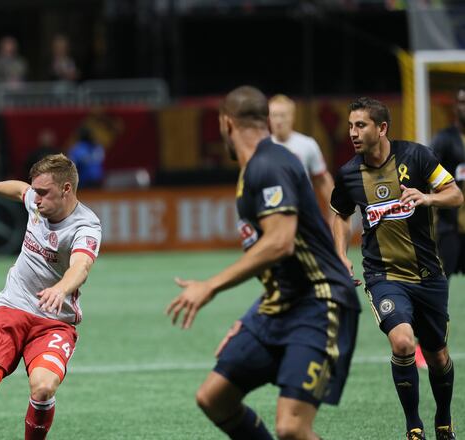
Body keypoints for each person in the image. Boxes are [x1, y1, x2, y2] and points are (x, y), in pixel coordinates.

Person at [166, 86, 360, 440]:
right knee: (214, 398)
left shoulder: (269, 165)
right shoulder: (255, 168)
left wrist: (210, 285)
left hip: (319, 302)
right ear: (268, 121)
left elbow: (279, 243)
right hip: (278, 307)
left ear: (226, 123)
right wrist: (252, 319)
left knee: (292, 428)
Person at [330, 97, 460, 440]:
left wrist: (428, 197)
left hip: (428, 275)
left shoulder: (416, 156)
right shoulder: (348, 174)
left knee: (437, 355)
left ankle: (443, 419)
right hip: (383, 276)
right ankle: (413, 426)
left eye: (361, 125)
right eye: (350, 126)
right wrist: (341, 254)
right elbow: (341, 214)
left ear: (382, 128)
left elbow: (455, 194)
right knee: (402, 343)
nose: (353, 133)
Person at [0, 153, 101, 439]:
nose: (37, 198)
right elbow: (20, 189)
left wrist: (60, 289)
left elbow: (81, 266)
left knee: (44, 387)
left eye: (44, 192)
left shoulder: (85, 227)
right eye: (36, 192)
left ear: (66, 189)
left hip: (54, 320)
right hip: (12, 307)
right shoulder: (37, 199)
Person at [269, 94, 335, 226]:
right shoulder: (262, 147)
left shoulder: (307, 145)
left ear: (292, 117)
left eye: (283, 115)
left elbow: (323, 181)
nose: (278, 120)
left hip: (304, 213)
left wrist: (334, 214)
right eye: (274, 115)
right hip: (272, 214)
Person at [431, 88, 465, 277]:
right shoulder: (444, 139)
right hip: (449, 227)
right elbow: (424, 171)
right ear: (455, 106)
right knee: (440, 284)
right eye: (462, 102)